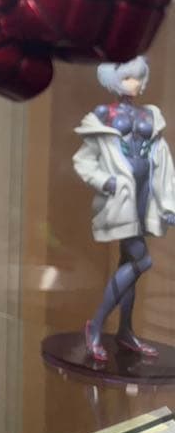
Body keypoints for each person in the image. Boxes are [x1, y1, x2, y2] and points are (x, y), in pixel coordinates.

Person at [74, 56, 175, 362]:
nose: (135, 83)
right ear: (113, 79)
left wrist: (168, 203)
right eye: (128, 77)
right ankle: (95, 325)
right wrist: (105, 181)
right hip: (121, 195)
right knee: (141, 261)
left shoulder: (150, 114)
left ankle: (125, 331)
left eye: (139, 77)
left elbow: (163, 159)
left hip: (145, 193)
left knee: (128, 263)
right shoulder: (104, 114)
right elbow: (84, 160)